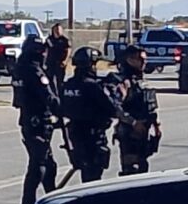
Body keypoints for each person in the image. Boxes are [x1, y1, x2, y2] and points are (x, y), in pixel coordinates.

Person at [12, 35, 60, 204]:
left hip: (29, 120)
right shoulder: (34, 71)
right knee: (38, 167)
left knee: (49, 167)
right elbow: (48, 97)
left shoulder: (19, 69)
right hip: (38, 122)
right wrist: (65, 109)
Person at [61, 47, 118, 183]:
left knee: (85, 171)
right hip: (93, 136)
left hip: (75, 134)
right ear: (90, 65)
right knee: (93, 176)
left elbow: (61, 108)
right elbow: (112, 108)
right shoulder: (93, 86)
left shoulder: (68, 84)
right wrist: (113, 90)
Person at [106, 45, 161, 176]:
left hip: (144, 131)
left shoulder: (141, 81)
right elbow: (116, 107)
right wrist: (133, 123)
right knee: (131, 171)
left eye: (145, 59)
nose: (144, 62)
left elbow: (150, 105)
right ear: (129, 60)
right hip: (130, 133)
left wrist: (156, 126)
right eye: (140, 59)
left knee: (143, 167)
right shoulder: (124, 82)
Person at [45, 24, 71, 96]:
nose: (58, 31)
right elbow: (45, 50)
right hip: (50, 63)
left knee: (60, 81)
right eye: (56, 30)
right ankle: (52, 95)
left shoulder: (65, 40)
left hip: (60, 64)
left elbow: (68, 51)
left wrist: (65, 61)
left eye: (59, 30)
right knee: (50, 80)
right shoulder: (49, 40)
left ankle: (61, 95)